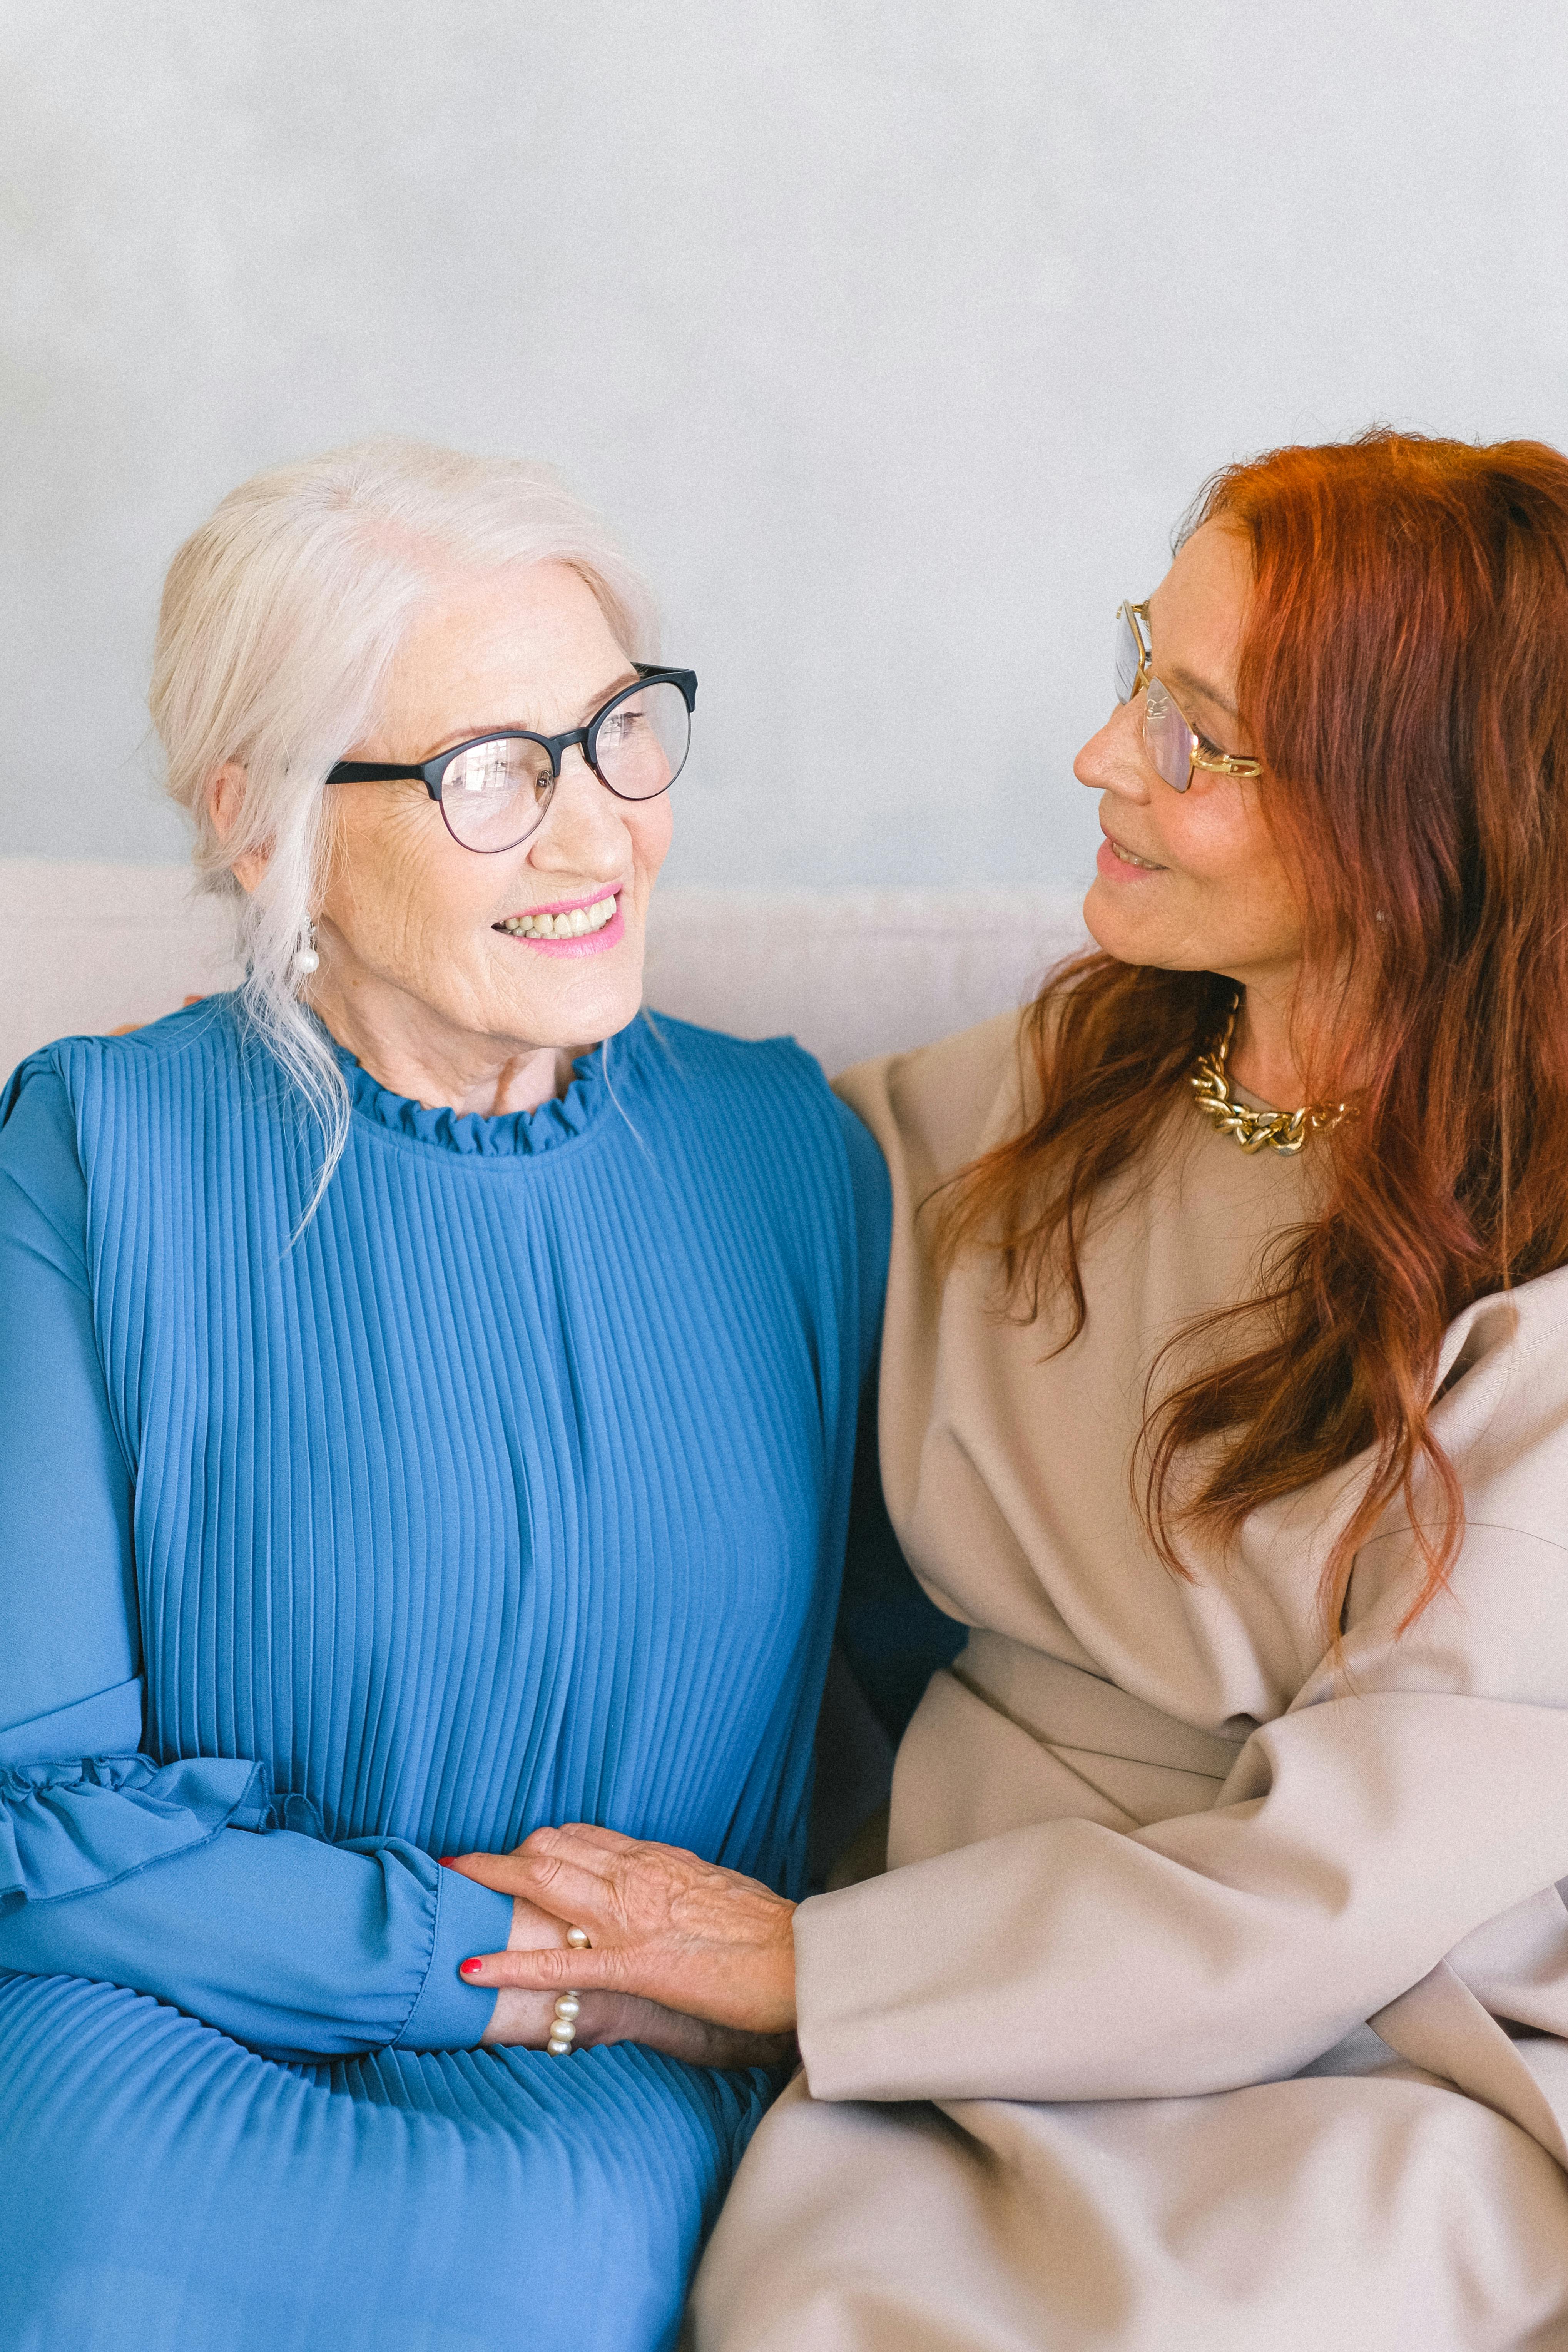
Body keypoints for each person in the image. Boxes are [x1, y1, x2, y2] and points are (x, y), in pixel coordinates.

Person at [460, 431, 1568, 2349]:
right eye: (1143, 664)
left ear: (1422, 825)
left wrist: (798, 1961)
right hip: (964, 1982)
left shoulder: (1539, 1280)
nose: (1099, 756)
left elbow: (1335, 1894)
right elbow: (731, 1197)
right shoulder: (1087, 1070)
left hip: (1375, 2049)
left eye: (1198, 738)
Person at [0, 438, 888, 2352]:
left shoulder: (792, 1156)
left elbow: (945, 1701)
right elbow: (35, 1824)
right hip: (151, 2020)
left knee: (517, 2281)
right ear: (268, 826)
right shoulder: (95, 1147)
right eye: (492, 774)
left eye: (618, 735)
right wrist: (529, 1976)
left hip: (609, 2101)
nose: (596, 838)